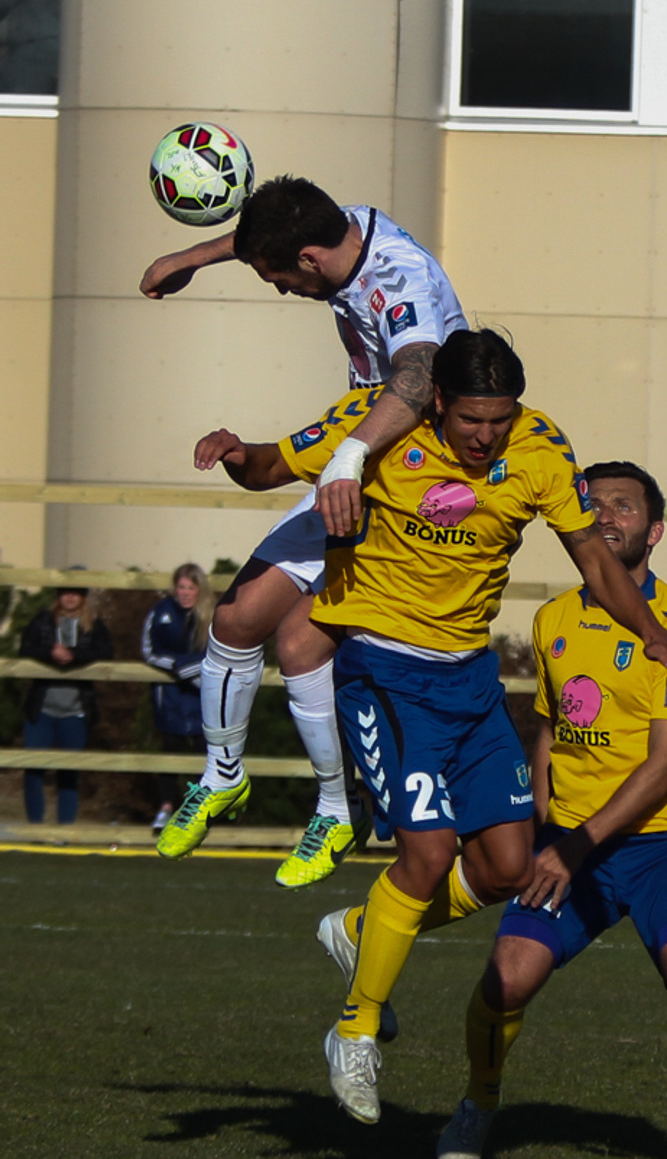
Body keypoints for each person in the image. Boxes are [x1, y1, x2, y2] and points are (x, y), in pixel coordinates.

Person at [191, 329, 667, 1127]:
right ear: (437, 402)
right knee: (428, 854)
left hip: (468, 680)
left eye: (500, 420)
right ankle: (355, 1030)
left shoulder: (540, 449)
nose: (485, 436)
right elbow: (269, 466)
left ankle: (359, 930)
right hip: (384, 673)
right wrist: (234, 453)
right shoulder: (376, 425)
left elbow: (595, 563)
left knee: (506, 867)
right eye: (471, 420)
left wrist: (657, 636)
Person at [433, 460, 667, 1159]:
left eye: (625, 506)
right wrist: (538, 824)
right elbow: (551, 729)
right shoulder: (553, 619)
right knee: (506, 979)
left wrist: (571, 848)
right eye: (595, 505)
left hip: (661, 839)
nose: (607, 516)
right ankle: (478, 1104)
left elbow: (662, 769)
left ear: (654, 532)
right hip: (568, 842)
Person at [141, 176, 468, 885]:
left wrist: (348, 457)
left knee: (298, 642)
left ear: (310, 260)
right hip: (358, 449)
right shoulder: (335, 228)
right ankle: (223, 775)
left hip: (412, 477)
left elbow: (418, 376)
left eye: (279, 278)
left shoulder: (400, 282)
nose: (282, 289)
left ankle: (336, 810)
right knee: (235, 619)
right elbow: (272, 231)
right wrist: (190, 257)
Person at [19, 578, 114, 824]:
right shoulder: (43, 620)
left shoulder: (94, 624)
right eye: (65, 591)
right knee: (33, 771)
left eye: (76, 592)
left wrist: (74, 655)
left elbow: (106, 652)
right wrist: (50, 653)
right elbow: (25, 648)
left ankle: (65, 832)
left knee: (69, 774)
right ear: (58, 594)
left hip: (76, 711)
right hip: (42, 709)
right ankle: (36, 829)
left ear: (83, 596)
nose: (70, 597)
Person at [141, 564, 215, 832]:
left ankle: (196, 810)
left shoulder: (212, 615)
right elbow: (149, 651)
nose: (185, 593)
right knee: (170, 752)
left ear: (199, 590)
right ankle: (165, 808)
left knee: (202, 754)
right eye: (181, 587)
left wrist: (192, 670)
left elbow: (219, 653)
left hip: (202, 697)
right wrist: (180, 667)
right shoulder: (161, 611)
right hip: (169, 695)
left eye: (191, 588)